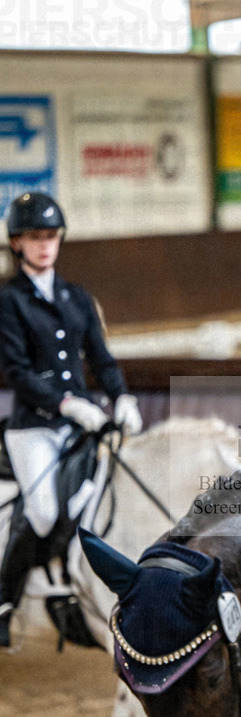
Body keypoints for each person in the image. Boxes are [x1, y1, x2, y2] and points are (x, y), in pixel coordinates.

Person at [0, 191, 142, 648]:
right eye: (34, 237)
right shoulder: (10, 302)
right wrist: (67, 404)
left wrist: (121, 398)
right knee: (42, 511)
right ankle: (4, 599)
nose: (45, 245)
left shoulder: (76, 297)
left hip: (83, 421)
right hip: (34, 427)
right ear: (18, 243)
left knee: (97, 496)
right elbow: (18, 373)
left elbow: (101, 359)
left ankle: (70, 589)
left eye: (51, 236)